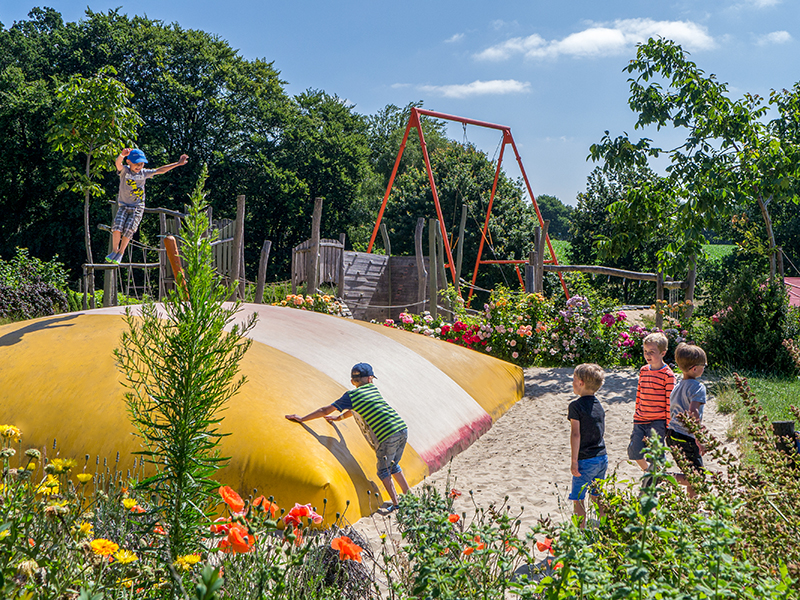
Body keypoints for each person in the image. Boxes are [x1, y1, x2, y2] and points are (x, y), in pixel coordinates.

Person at [285, 362, 409, 512]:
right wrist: (339, 418)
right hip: (401, 428)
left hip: (386, 434)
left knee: (383, 470)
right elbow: (355, 409)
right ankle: (409, 497)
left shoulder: (351, 396)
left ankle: (396, 504)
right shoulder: (373, 389)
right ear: (370, 379)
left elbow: (325, 410)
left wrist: (303, 418)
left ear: (352, 381)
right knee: (393, 465)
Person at [106, 148, 188, 264]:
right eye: (136, 164)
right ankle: (114, 250)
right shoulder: (125, 171)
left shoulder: (144, 173)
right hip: (123, 205)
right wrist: (122, 155)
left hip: (137, 207)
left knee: (129, 229)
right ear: (128, 162)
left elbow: (160, 170)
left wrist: (177, 164)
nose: (139, 166)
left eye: (141, 164)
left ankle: (121, 252)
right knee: (117, 227)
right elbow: (118, 164)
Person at [627, 332, 675, 476]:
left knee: (656, 455)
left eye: (652, 352)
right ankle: (649, 473)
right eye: (645, 351)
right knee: (634, 451)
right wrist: (636, 413)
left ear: (663, 353)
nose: (647, 355)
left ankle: (657, 478)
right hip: (640, 419)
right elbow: (639, 394)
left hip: (657, 421)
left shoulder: (668, 374)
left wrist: (668, 424)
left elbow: (670, 402)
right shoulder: (643, 370)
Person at [568, 363, 607, 527]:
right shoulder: (599, 405)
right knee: (597, 496)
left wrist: (574, 461)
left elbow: (576, 434)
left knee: (578, 498)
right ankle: (606, 526)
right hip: (602, 457)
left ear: (581, 383)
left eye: (574, 379)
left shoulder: (575, 406)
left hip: (585, 460)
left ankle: (580, 532)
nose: (572, 383)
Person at [666, 342, 708, 498]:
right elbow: (693, 412)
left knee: (690, 473)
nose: (704, 368)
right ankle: (662, 477)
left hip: (671, 434)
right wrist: (699, 437)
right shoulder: (698, 387)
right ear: (694, 368)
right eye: (704, 365)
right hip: (686, 437)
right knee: (698, 477)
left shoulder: (677, 386)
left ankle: (692, 506)